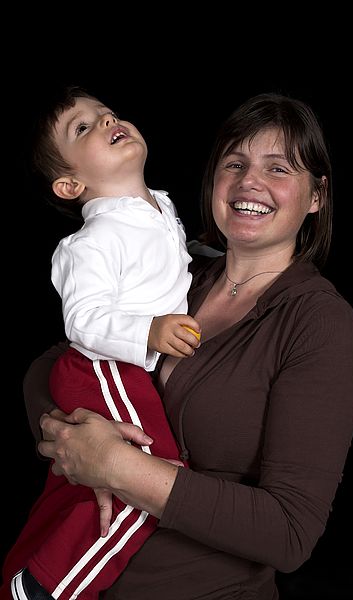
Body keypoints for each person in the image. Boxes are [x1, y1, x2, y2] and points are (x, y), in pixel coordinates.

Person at [15, 92, 353, 599]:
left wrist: (118, 467)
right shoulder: (182, 274)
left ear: (317, 196)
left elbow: (290, 533)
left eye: (279, 169)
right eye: (236, 163)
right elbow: (54, 362)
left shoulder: (318, 324)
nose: (250, 182)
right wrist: (62, 431)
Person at [1, 86, 202, 599]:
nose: (108, 121)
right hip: (103, 367)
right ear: (69, 185)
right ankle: (48, 586)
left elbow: (168, 262)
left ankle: (28, 561)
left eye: (107, 114)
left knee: (86, 482)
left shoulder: (160, 205)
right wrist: (150, 330)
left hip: (128, 371)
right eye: (83, 128)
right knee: (151, 477)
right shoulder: (90, 242)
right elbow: (83, 321)